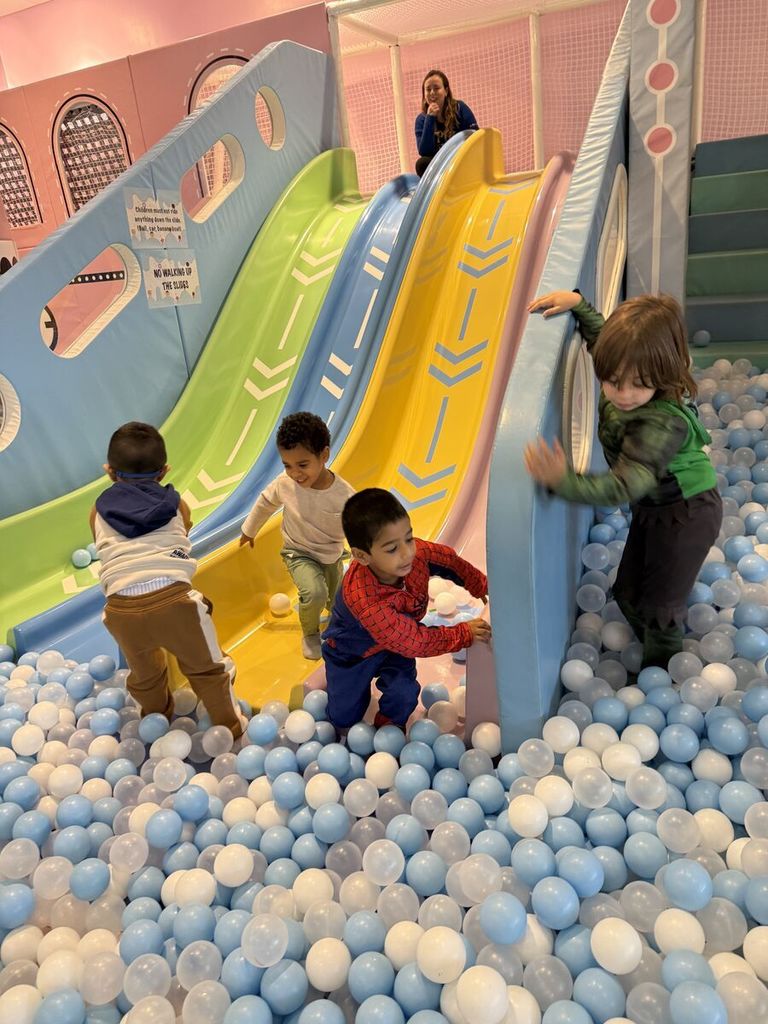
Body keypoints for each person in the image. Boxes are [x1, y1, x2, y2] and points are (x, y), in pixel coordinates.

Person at [524, 290, 722, 670]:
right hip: (654, 508)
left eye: (639, 383)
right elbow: (604, 341)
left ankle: (660, 674)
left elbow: (622, 486)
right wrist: (578, 306)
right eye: (613, 381)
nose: (624, 394)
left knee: (659, 608)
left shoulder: (660, 423)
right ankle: (651, 632)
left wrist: (563, 480)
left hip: (687, 515)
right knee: (629, 594)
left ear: (662, 375)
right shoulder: (621, 372)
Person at [91, 422, 244, 737]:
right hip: (176, 604)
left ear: (109, 471)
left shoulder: (97, 511)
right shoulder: (177, 505)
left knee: (145, 673)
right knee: (208, 670)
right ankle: (232, 727)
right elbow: (179, 543)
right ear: (164, 471)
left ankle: (156, 719)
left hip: (120, 610)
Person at [322, 488, 491, 729]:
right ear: (362, 556)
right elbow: (415, 642)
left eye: (408, 538)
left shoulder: (414, 556)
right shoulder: (368, 601)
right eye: (391, 549)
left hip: (395, 645)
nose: (407, 553)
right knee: (344, 718)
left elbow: (449, 561)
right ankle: (337, 697)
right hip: (352, 654)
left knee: (404, 692)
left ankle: (388, 730)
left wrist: (481, 585)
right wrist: (462, 633)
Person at [240, 412, 355, 661]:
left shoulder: (343, 494)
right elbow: (265, 502)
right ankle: (310, 633)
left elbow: (356, 524)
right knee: (313, 592)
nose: (294, 473)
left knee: (336, 600)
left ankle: (335, 623)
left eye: (302, 465)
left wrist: (359, 549)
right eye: (287, 465)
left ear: (324, 455)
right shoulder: (285, 484)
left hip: (331, 553)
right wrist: (249, 529)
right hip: (298, 551)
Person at [414, 69, 478, 177]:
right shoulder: (421, 119)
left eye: (437, 88)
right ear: (424, 94)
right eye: (428, 89)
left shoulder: (460, 107)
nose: (432, 93)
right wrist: (430, 119)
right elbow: (425, 152)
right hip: (441, 168)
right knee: (421, 164)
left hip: (461, 159)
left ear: (446, 91)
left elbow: (475, 134)